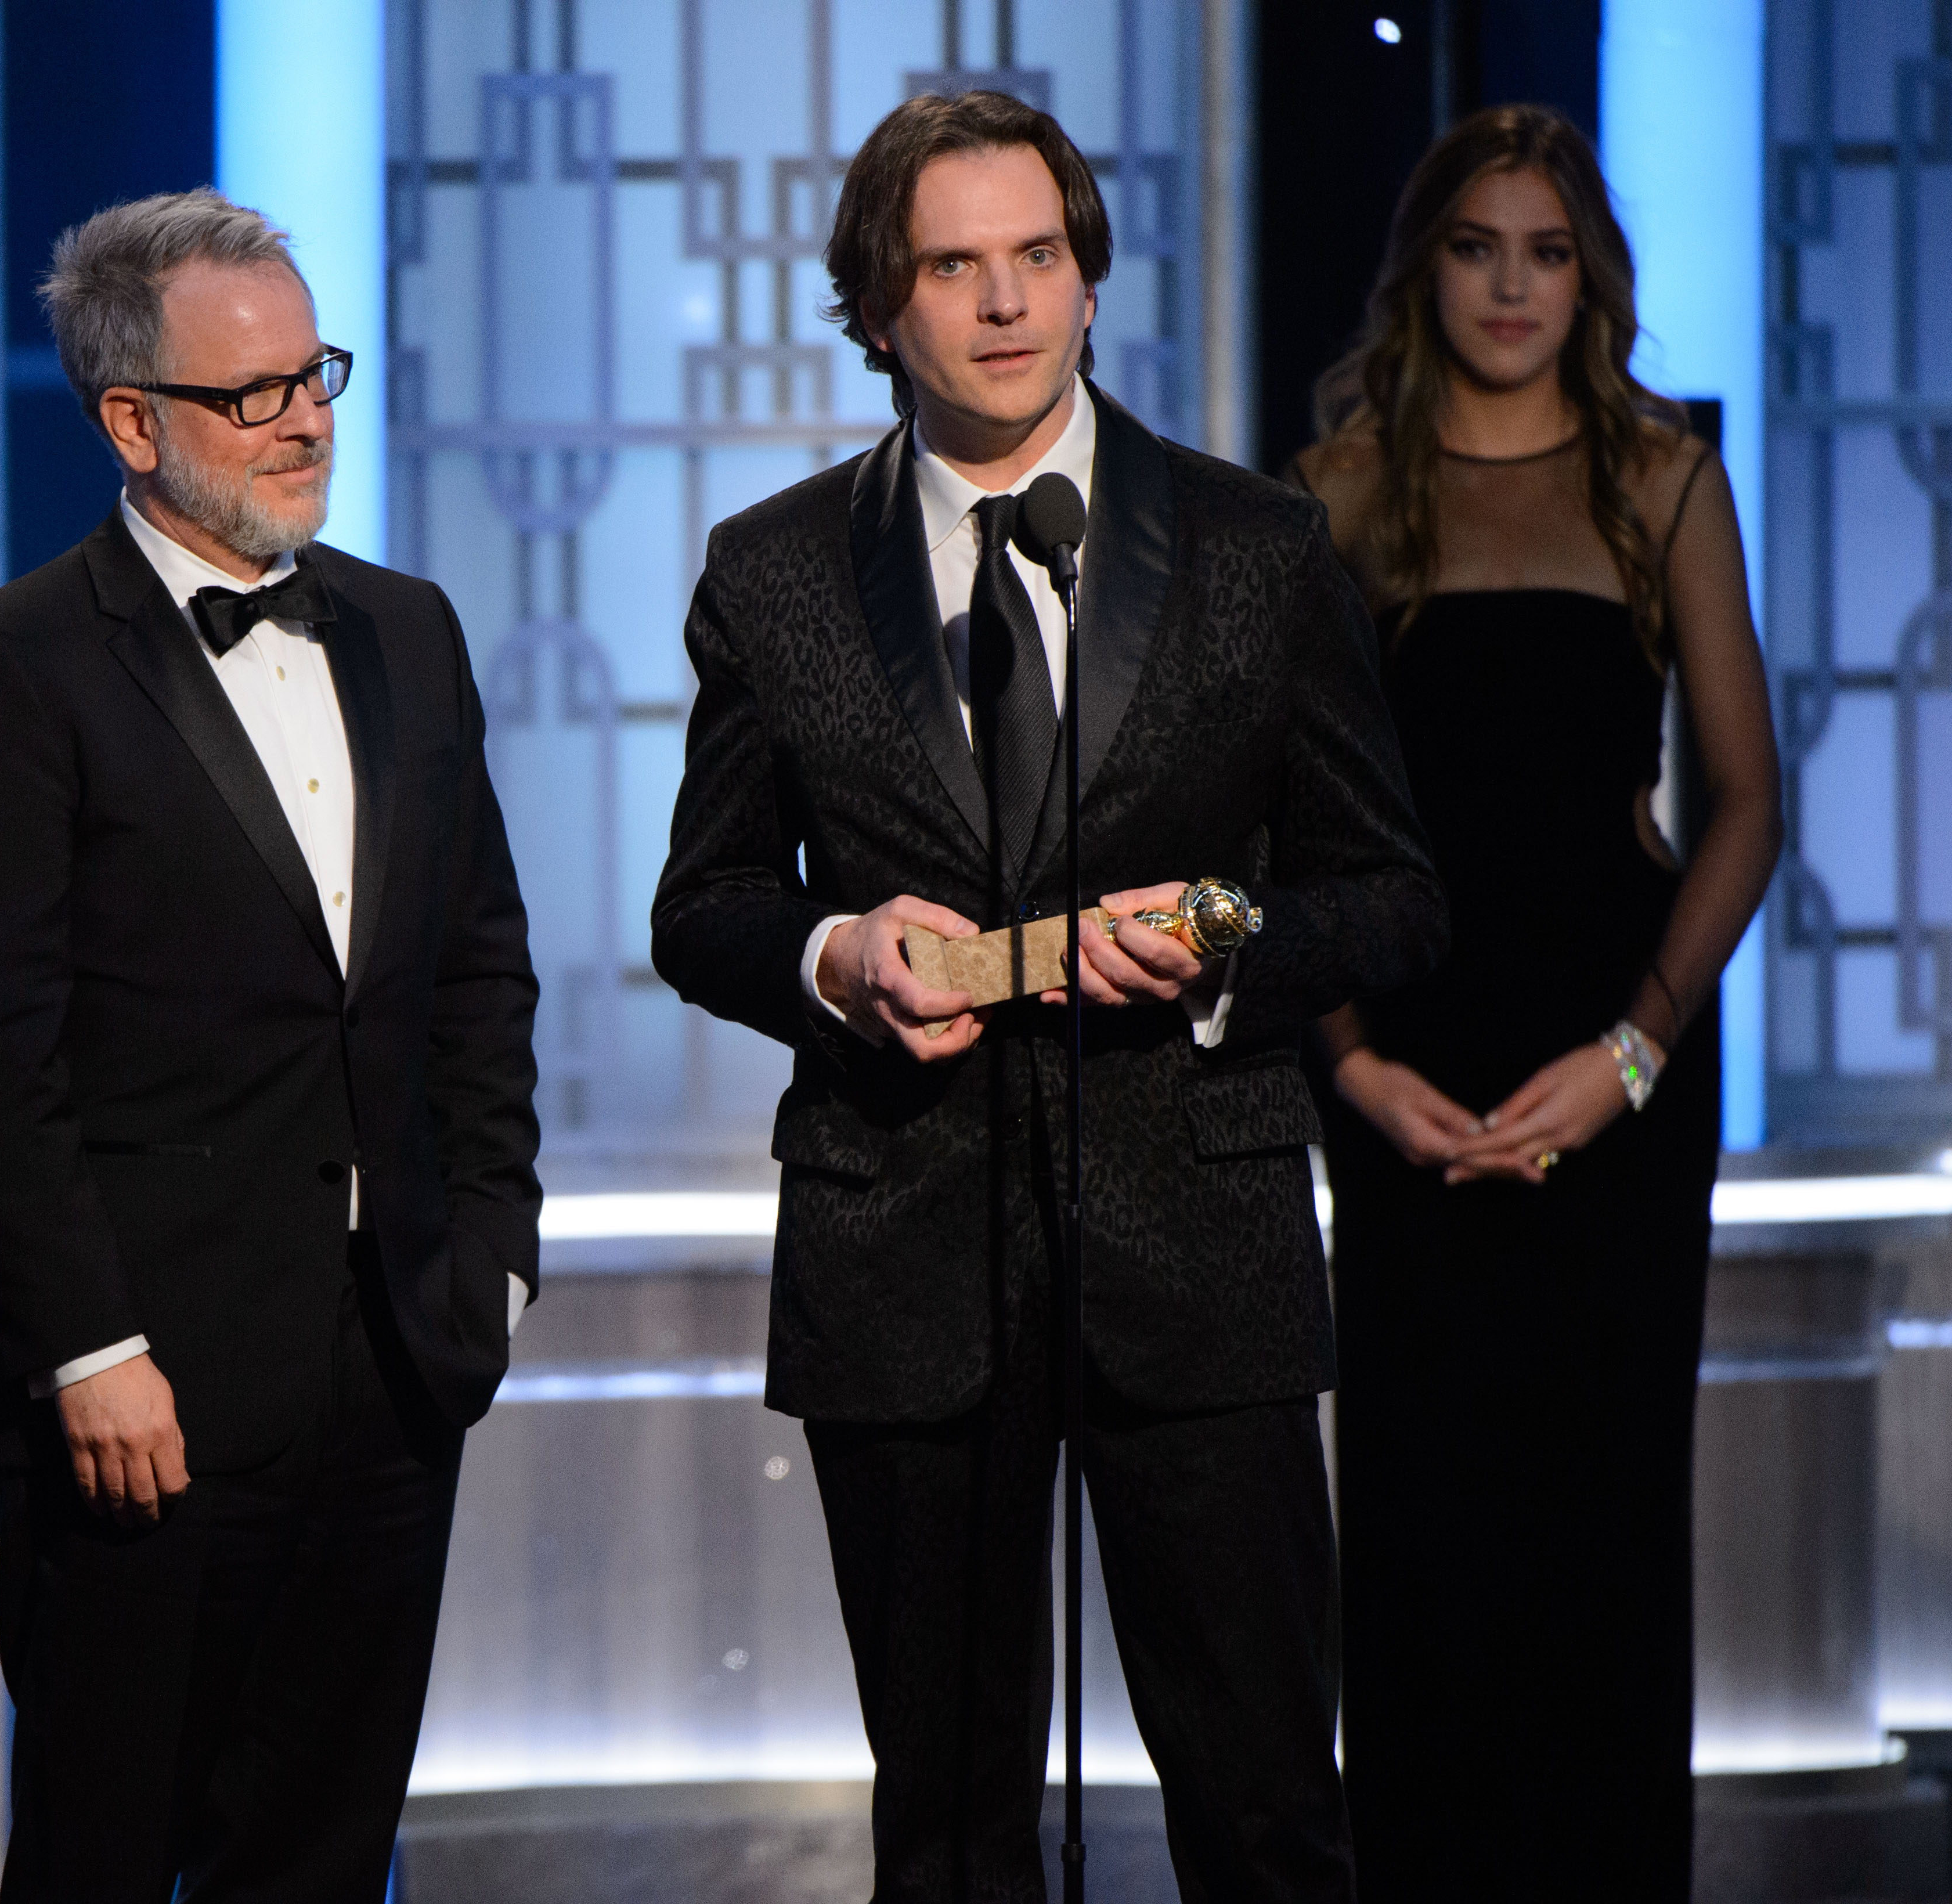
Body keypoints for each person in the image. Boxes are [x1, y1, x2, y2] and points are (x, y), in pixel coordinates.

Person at [652, 90, 1445, 1903]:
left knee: (1262, 1808)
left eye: (1040, 257)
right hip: (903, 1251)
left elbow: (1393, 901)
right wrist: (830, 957)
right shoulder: (772, 574)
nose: (1006, 302)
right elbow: (701, 907)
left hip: (1205, 1249)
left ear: (1090, 283)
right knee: (943, 1830)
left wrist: (1224, 922)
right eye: (954, 264)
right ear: (879, 304)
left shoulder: (1255, 548)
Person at [0, 189, 540, 1901]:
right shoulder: (10, 669)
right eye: (253, 392)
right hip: (145, 1399)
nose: (307, 416)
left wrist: (494, 1261)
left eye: (313, 373)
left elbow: (480, 972)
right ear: (132, 420)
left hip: (395, 1371)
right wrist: (88, 1349)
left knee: (325, 1858)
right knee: (109, 1855)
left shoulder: (408, 629)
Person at [1290, 105, 1781, 1900]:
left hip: (1620, 1064)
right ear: (1429, 265)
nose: (1512, 285)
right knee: (1422, 1532)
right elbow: (1281, 826)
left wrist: (1636, 1054)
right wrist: (1350, 1068)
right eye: (1479, 247)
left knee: (1601, 1528)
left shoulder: (1663, 478)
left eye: (1548, 250)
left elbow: (1747, 799)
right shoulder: (1333, 493)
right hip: (1410, 1067)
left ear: (1590, 279)